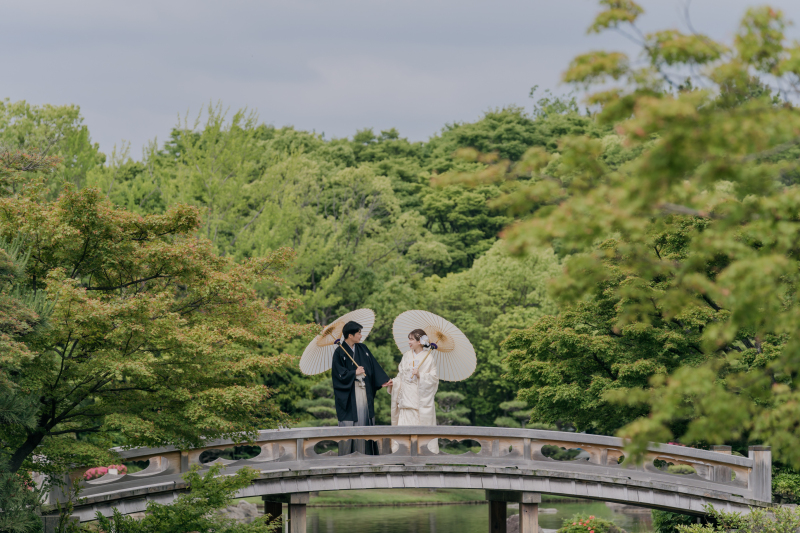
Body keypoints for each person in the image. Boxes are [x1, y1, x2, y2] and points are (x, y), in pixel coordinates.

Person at [331, 320, 391, 455]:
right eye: (358, 333)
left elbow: (373, 367)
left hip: (364, 391)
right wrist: (354, 373)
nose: (360, 335)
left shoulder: (363, 349)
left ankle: (366, 455)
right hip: (350, 393)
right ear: (350, 335)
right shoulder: (339, 352)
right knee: (352, 423)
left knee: (365, 420)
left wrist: (383, 381)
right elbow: (337, 375)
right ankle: (349, 458)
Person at [388, 328, 439, 453]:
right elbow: (401, 376)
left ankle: (419, 455)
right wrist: (393, 382)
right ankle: (402, 454)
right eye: (409, 339)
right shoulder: (406, 355)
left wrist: (420, 374)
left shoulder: (428, 358)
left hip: (418, 401)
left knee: (418, 430)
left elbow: (434, 379)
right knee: (403, 427)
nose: (409, 342)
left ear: (420, 341)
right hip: (405, 399)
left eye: (411, 339)